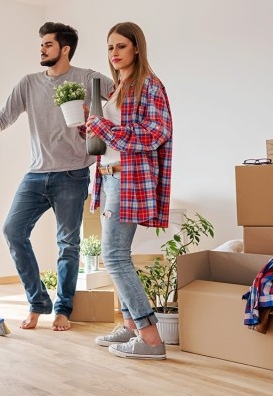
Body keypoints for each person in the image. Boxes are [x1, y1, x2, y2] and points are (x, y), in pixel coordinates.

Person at [0, 22, 113, 331]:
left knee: (68, 244)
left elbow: (118, 97)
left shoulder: (87, 78)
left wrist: (97, 121)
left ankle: (63, 309)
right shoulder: (29, 83)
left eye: (48, 44)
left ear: (65, 49)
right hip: (37, 174)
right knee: (13, 230)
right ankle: (38, 301)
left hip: (73, 173)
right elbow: (3, 118)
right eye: (41, 44)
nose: (41, 48)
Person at [85, 22, 173, 359]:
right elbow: (111, 137)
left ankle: (150, 338)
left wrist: (104, 127)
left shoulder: (149, 85)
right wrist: (91, 125)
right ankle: (131, 327)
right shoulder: (118, 88)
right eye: (110, 47)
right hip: (108, 178)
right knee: (117, 255)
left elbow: (156, 133)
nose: (114, 53)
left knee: (114, 255)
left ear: (137, 47)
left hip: (129, 179)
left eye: (121, 46)